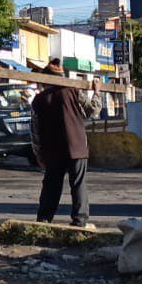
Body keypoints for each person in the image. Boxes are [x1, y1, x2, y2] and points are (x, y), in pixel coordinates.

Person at [29, 59, 102, 227]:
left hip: (52, 151)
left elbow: (35, 131)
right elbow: (93, 111)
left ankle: (44, 221)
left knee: (51, 187)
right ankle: (79, 221)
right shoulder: (73, 91)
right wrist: (96, 92)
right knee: (78, 185)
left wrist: (39, 155)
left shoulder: (38, 100)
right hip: (76, 146)